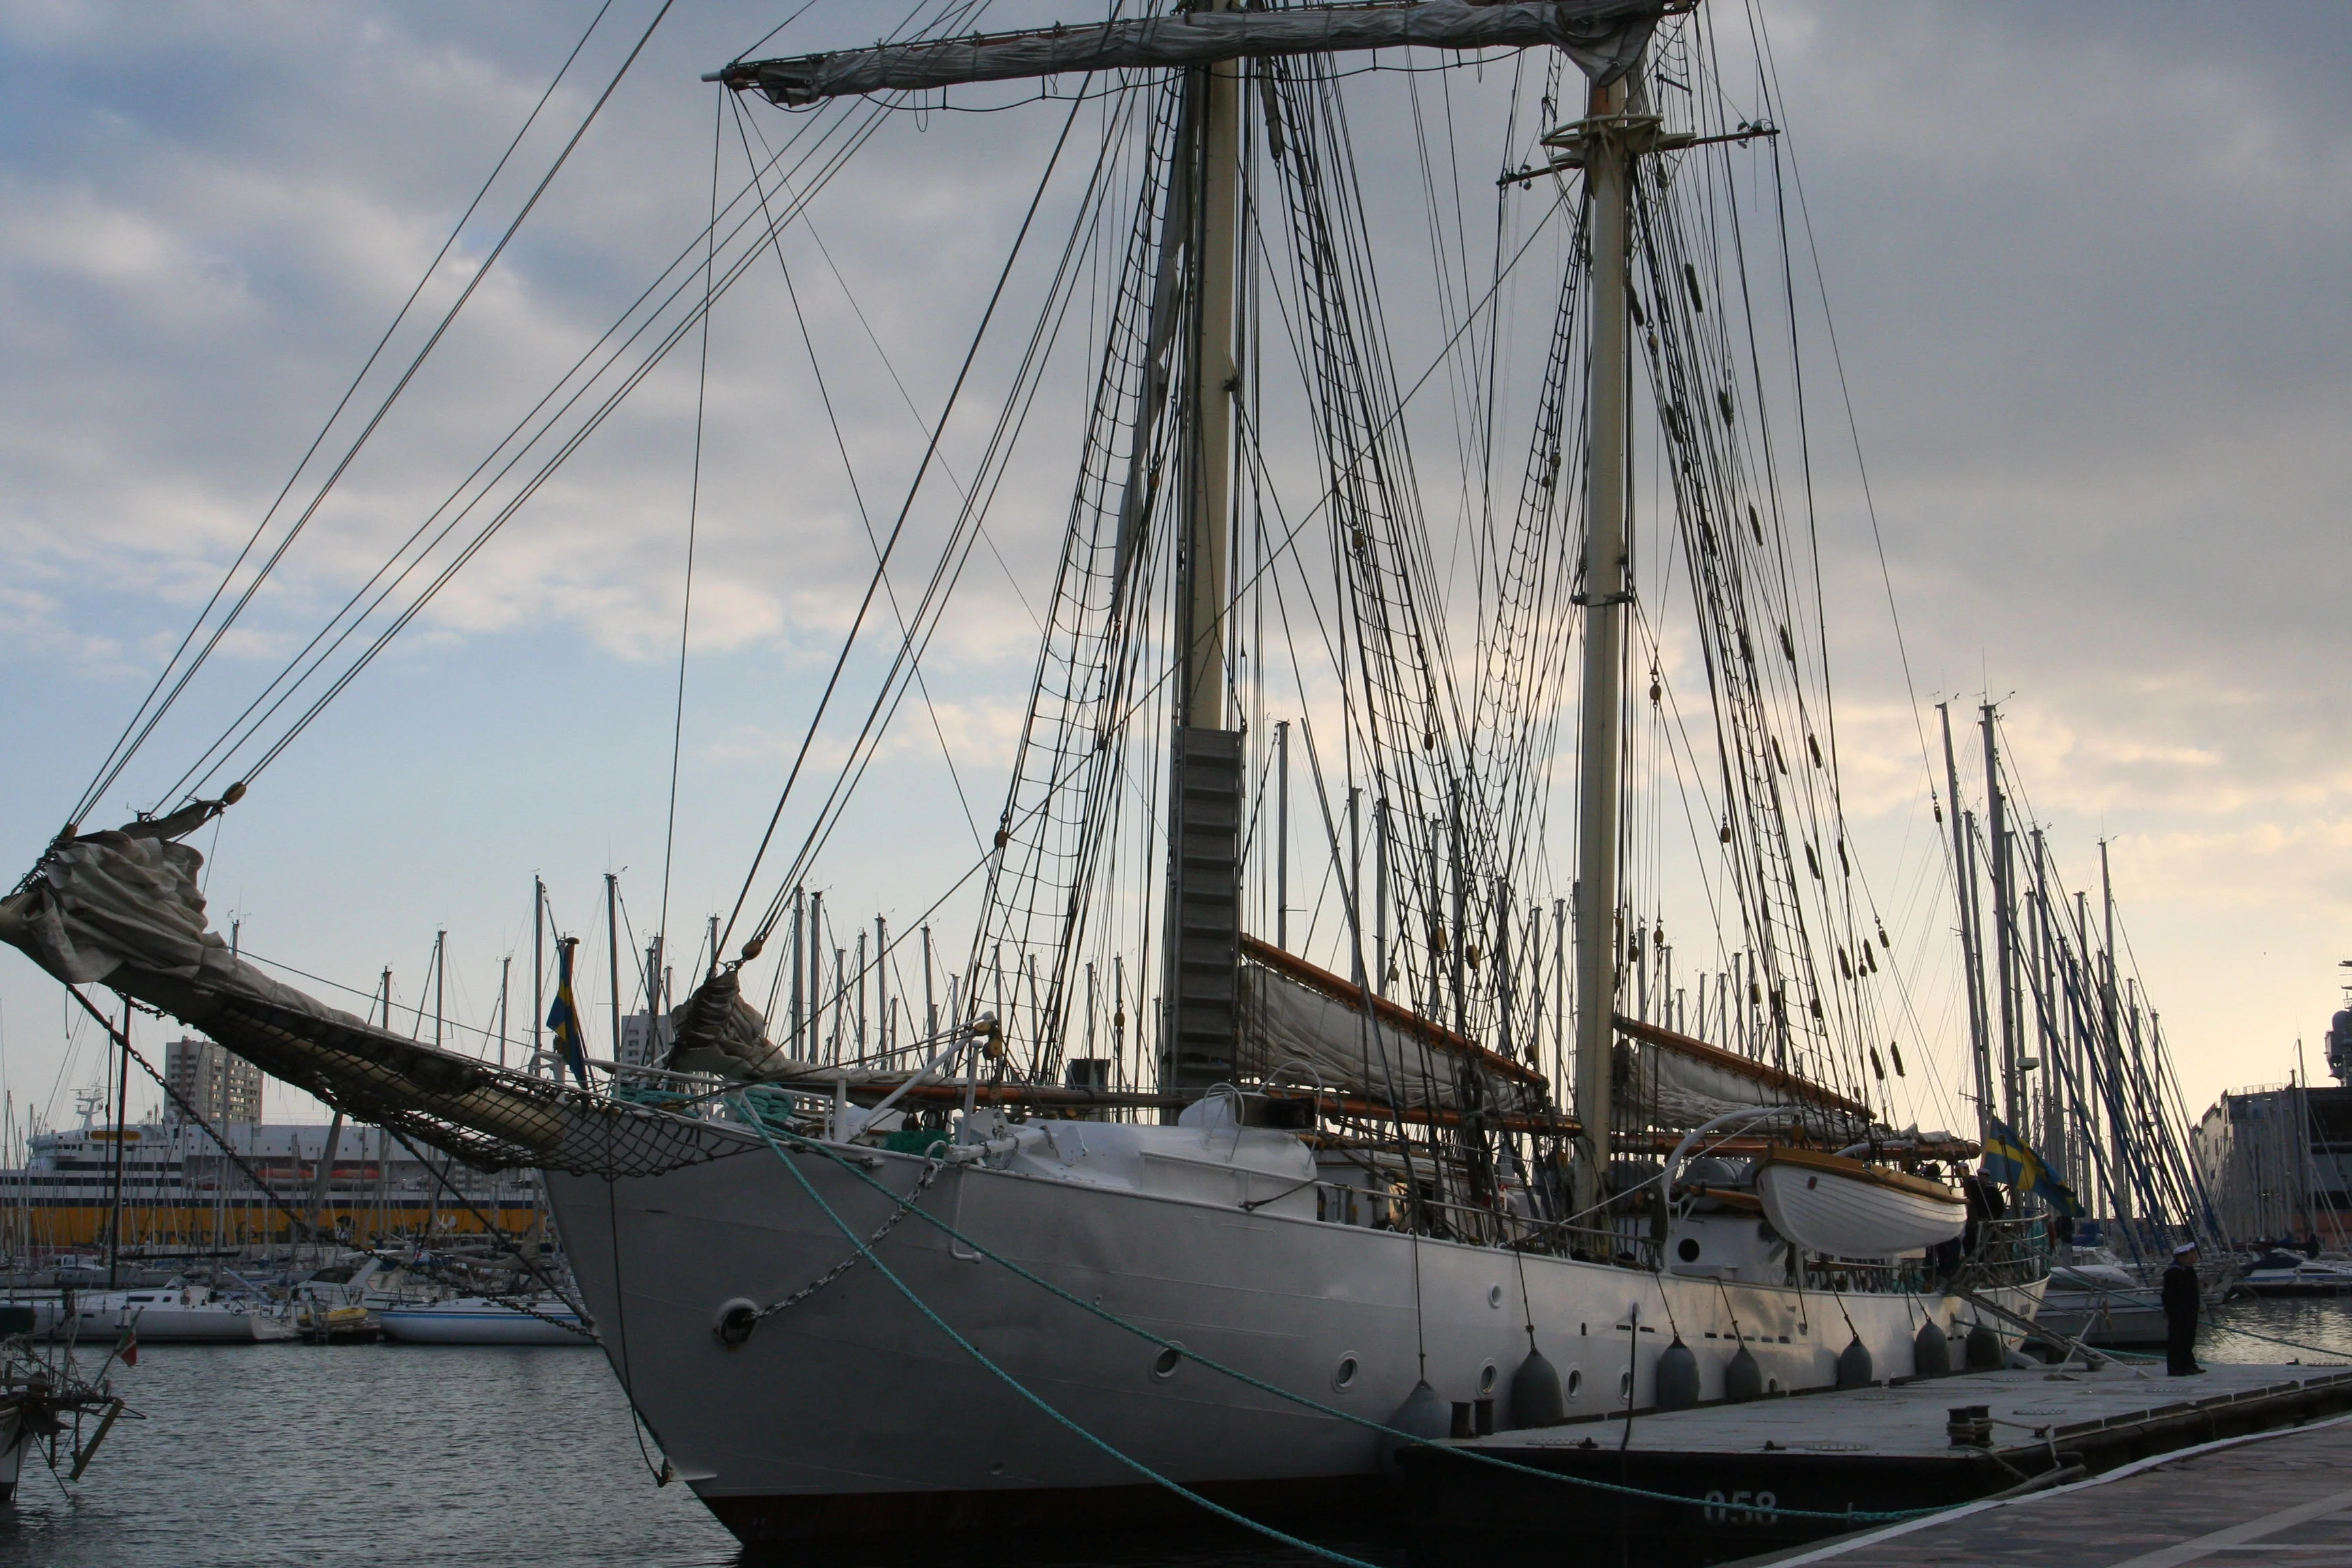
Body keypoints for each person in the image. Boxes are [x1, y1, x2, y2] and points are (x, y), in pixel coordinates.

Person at [2162, 1240, 2204, 1376]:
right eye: (2192, 1254)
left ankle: (2189, 1365)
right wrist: (2173, 1311)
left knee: (2188, 1339)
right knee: (2177, 1339)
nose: (2194, 1257)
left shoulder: (2188, 1271)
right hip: (2179, 1312)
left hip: (2190, 1311)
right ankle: (2176, 1368)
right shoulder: (2173, 1273)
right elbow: (2169, 1295)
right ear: (2183, 1257)